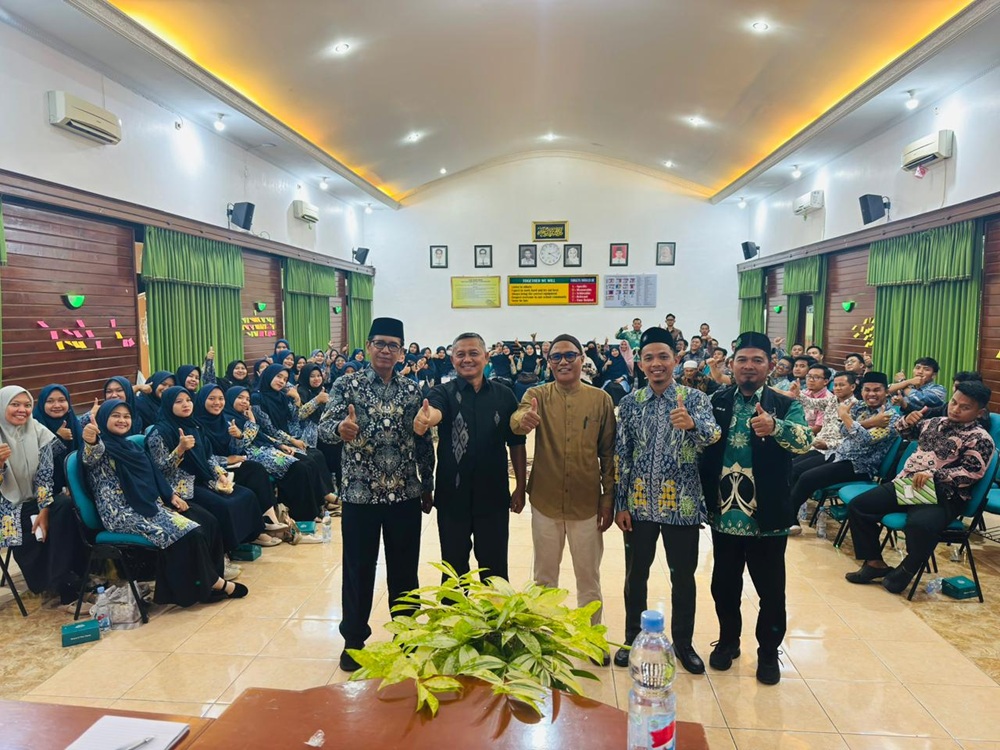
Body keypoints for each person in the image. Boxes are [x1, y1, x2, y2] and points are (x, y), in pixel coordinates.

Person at [319, 317, 434, 673]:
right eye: (380, 343)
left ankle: (407, 637)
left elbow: (423, 439)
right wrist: (341, 428)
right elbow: (324, 428)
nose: (386, 350)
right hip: (359, 494)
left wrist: (427, 483)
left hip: (404, 493)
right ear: (369, 345)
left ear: (401, 352)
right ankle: (353, 641)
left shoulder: (412, 389)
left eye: (393, 345)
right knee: (358, 570)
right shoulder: (346, 384)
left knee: (405, 571)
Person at [698, 332, 813, 685]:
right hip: (724, 514)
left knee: (771, 591)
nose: (749, 367)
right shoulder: (716, 400)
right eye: (742, 360)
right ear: (732, 364)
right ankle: (728, 641)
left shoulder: (784, 404)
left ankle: (767, 652)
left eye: (757, 361)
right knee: (724, 586)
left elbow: (805, 441)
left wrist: (776, 427)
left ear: (770, 365)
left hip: (768, 516)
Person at [613, 328, 720, 673]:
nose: (656, 364)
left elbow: (713, 436)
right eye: (649, 358)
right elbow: (622, 455)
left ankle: (683, 644)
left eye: (663, 357)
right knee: (636, 575)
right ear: (641, 363)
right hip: (639, 504)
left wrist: (691, 425)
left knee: (683, 577)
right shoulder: (631, 403)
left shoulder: (695, 399)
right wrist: (620, 503)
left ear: (675, 359)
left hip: (683, 506)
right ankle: (632, 638)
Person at [510, 334, 617, 664]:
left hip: (586, 503)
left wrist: (608, 499)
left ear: (582, 359)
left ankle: (591, 638)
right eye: (556, 357)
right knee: (544, 578)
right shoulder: (537, 395)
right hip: (546, 501)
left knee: (588, 578)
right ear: (549, 362)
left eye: (570, 355)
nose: (563, 362)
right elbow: (517, 420)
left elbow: (608, 454)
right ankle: (543, 641)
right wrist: (524, 421)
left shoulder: (600, 399)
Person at [81, 399, 247, 604]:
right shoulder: (101, 448)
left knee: (205, 522)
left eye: (126, 416)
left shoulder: (130, 446)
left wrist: (170, 495)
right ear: (104, 418)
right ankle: (213, 583)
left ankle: (207, 581)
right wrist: (90, 441)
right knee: (188, 532)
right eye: (115, 416)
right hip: (120, 514)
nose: (122, 420)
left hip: (147, 504)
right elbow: (89, 456)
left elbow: (154, 474)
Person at [845, 381, 995, 593]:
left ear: (979, 413)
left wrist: (935, 474)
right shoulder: (935, 422)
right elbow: (902, 431)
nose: (955, 409)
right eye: (954, 402)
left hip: (944, 494)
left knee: (921, 525)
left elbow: (971, 472)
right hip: (910, 485)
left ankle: (908, 568)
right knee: (859, 506)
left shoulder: (981, 439)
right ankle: (874, 563)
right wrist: (907, 420)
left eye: (965, 407)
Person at [414, 332, 527, 581]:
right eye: (460, 354)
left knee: (495, 572)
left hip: (493, 496)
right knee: (453, 571)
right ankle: (455, 607)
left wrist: (521, 486)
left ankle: (493, 608)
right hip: (452, 497)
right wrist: (426, 418)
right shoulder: (443, 392)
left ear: (486, 357)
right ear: (453, 359)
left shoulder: (504, 395)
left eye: (473, 353)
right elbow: (435, 412)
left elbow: (517, 442)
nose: (467, 359)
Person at [147, 386, 265, 554]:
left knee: (246, 495)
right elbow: (160, 471)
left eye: (188, 400)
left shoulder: (194, 427)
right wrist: (179, 450)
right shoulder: (158, 433)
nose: (185, 404)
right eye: (179, 402)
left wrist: (220, 474)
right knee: (223, 505)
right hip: (179, 485)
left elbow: (208, 456)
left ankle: (247, 539)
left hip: (203, 477)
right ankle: (227, 551)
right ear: (168, 405)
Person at [0, 386, 85, 604]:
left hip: (34, 500)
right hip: (6, 507)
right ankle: (52, 582)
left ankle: (66, 578)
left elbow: (45, 475)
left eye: (27, 405)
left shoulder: (37, 430)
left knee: (65, 506)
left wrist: (44, 509)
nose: (22, 410)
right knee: (26, 526)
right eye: (15, 404)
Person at [787, 372, 900, 535]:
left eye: (877, 390)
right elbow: (842, 430)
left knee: (807, 478)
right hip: (839, 455)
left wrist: (847, 418)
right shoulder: (859, 406)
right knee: (795, 469)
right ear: (862, 391)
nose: (871, 394)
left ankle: (787, 520)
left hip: (860, 466)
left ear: (886, 392)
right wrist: (869, 422)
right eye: (867, 390)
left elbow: (866, 439)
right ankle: (784, 514)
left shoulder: (891, 416)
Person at [193, 385, 285, 544]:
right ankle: (257, 531)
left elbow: (235, 451)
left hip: (227, 469)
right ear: (202, 400)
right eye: (212, 398)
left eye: (221, 399)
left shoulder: (225, 421)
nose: (217, 403)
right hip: (209, 471)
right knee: (249, 480)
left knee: (254, 468)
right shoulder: (196, 425)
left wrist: (237, 437)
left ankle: (269, 519)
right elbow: (201, 457)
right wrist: (226, 460)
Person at [224, 386, 325, 524]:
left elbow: (262, 435)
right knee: (298, 468)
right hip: (251, 454)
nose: (244, 402)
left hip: (265, 448)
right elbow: (244, 442)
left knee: (307, 463)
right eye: (240, 398)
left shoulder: (242, 417)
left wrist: (279, 445)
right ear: (230, 399)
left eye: (247, 399)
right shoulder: (228, 420)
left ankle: (316, 509)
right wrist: (252, 422)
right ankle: (302, 516)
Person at [33, 384, 82, 495]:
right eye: (50, 401)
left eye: (62, 400)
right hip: (41, 492)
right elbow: (35, 459)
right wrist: (56, 436)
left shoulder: (73, 422)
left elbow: (81, 456)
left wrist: (73, 485)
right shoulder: (33, 425)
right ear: (42, 403)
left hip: (72, 487)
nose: (56, 405)